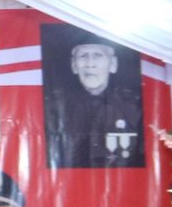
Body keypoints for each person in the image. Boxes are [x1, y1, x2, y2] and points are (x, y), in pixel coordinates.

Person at [47, 37, 144, 168]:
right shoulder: (55, 108)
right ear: (74, 65)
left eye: (98, 55)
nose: (90, 64)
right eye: (83, 56)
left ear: (113, 64)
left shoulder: (133, 108)